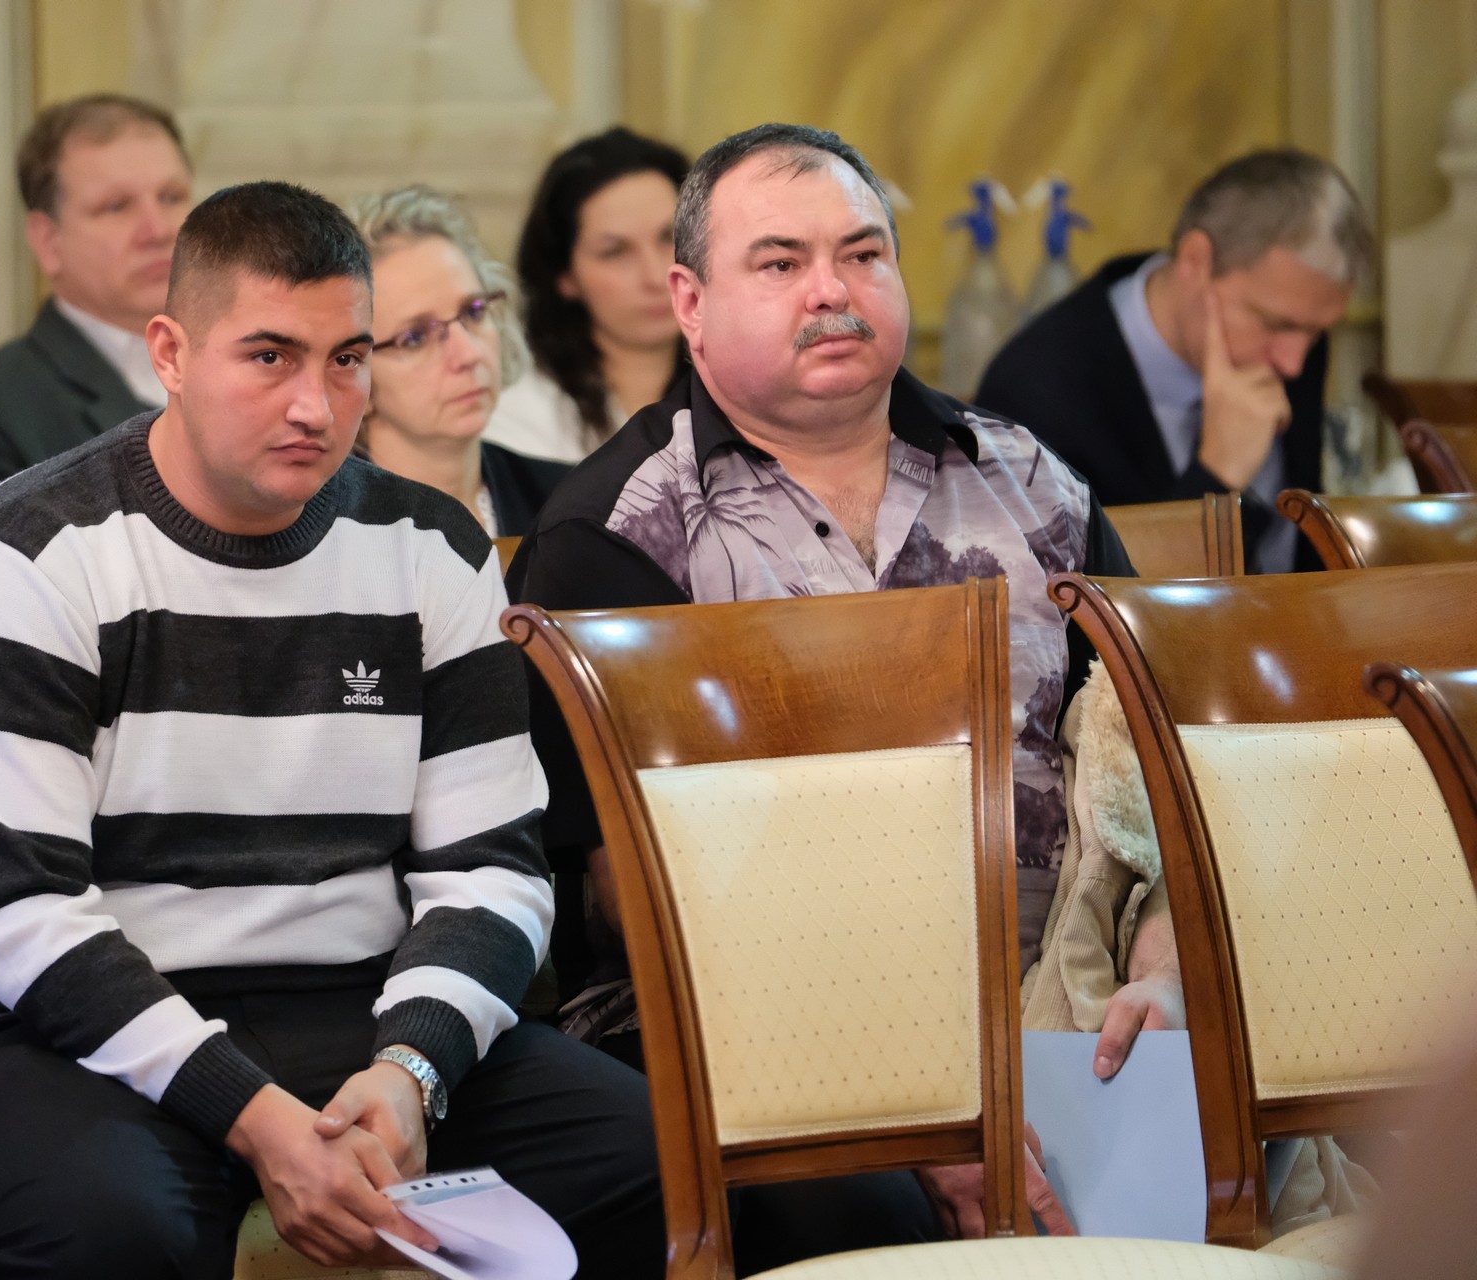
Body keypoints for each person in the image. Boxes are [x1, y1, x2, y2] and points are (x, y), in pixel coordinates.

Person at [0, 180, 663, 1280]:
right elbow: (22, 915)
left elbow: (493, 869)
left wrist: (411, 1069)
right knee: (120, 1233)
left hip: (355, 1008)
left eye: (347, 359)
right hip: (46, 1036)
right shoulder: (30, 554)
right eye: (269, 357)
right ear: (170, 352)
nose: (315, 405)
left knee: (658, 1163)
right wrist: (252, 1115)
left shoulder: (431, 546)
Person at [511, 122, 1165, 1246]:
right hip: (749, 1036)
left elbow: (1160, 761)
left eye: (863, 254)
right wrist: (915, 1105)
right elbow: (642, 900)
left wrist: (1166, 963)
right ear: (690, 301)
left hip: (1064, 1006)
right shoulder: (618, 534)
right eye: (781, 263)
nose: (833, 291)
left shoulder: (1031, 483)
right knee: (855, 1206)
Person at [976, 150, 1372, 573]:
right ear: (1197, 261)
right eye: (1276, 324)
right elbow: (1069, 601)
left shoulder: (1292, 340)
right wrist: (1217, 475)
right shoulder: (1033, 390)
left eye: (1317, 331)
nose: (1293, 364)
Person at [0, 94, 195, 486]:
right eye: (116, 206)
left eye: (171, 197)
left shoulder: (253, 361)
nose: (158, 230)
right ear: (48, 242)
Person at [349, 185, 569, 537]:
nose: (468, 354)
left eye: (473, 312)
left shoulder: (571, 502)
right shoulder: (319, 533)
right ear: (353, 369)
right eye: (415, 337)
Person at [485, 127, 689, 464]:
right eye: (615, 252)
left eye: (670, 237)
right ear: (565, 275)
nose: (656, 276)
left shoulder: (752, 389)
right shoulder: (519, 420)